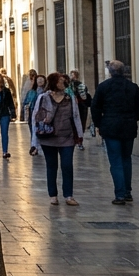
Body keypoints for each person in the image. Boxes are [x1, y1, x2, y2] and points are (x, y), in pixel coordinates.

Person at [91, 59, 139, 205]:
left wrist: (99, 124)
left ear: (110, 72)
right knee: (126, 159)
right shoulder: (133, 87)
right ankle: (127, 192)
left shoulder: (104, 87)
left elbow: (95, 107)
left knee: (115, 161)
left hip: (110, 127)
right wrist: (132, 118)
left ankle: (120, 194)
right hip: (128, 127)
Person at [31, 72, 84, 205]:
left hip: (67, 137)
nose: (63, 83)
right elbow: (35, 119)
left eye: (64, 81)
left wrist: (80, 135)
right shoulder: (43, 97)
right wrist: (34, 143)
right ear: (54, 82)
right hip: (48, 137)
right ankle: (53, 195)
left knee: (67, 165)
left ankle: (68, 195)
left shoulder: (69, 97)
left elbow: (76, 115)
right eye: (60, 81)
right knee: (51, 166)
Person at [0, 73, 17, 158]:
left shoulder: (6, 91)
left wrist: (13, 113)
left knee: (4, 133)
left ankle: (5, 151)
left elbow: (10, 103)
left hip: (4, 114)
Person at [68, 69, 93, 140]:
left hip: (80, 106)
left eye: (72, 75)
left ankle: (79, 139)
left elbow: (84, 97)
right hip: (78, 106)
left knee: (80, 122)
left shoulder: (80, 85)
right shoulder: (73, 85)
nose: (71, 76)